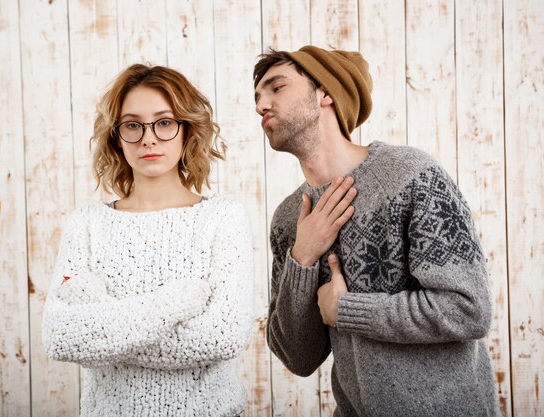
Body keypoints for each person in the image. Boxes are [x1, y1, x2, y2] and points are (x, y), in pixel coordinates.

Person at [254, 45, 500, 417]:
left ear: (325, 94)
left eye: (276, 87)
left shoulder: (411, 175)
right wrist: (302, 257)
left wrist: (346, 309)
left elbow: (469, 309)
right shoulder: (290, 219)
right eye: (257, 97)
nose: (261, 105)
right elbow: (298, 358)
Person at [42, 64, 254, 417]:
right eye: (133, 125)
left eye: (164, 122)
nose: (149, 138)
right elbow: (60, 336)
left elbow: (222, 336)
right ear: (116, 136)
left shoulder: (222, 217)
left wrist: (102, 323)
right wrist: (172, 304)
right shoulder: (87, 224)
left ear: (187, 130)